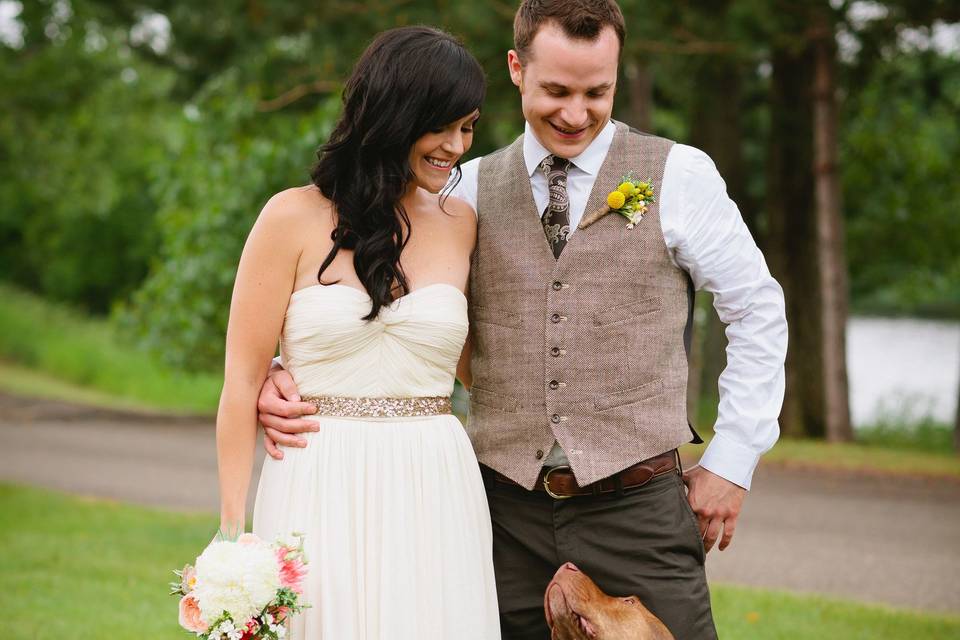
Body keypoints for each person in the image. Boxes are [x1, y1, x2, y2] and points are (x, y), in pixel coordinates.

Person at [260, 1, 788, 638]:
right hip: (497, 515)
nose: (575, 113)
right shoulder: (460, 190)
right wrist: (285, 368)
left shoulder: (679, 175)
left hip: (639, 509)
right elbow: (379, 302)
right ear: (516, 68)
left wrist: (732, 460)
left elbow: (757, 310)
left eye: (598, 92)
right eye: (556, 90)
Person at [214, 26, 500, 640]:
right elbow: (240, 378)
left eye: (468, 126)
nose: (456, 146)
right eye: (442, 125)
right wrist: (231, 532)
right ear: (395, 116)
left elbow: (483, 369)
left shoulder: (462, 224)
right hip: (316, 473)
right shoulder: (290, 216)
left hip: (435, 483)